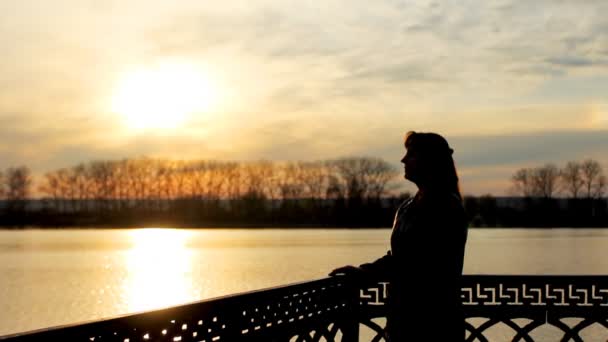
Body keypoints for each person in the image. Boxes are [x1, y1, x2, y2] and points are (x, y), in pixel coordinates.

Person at [329, 131, 469, 341]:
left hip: (433, 324)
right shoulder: (409, 206)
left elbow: (418, 262)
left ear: (430, 161)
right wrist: (363, 271)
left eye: (411, 154)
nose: (403, 160)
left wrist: (366, 274)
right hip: (404, 321)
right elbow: (401, 257)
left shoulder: (446, 207)